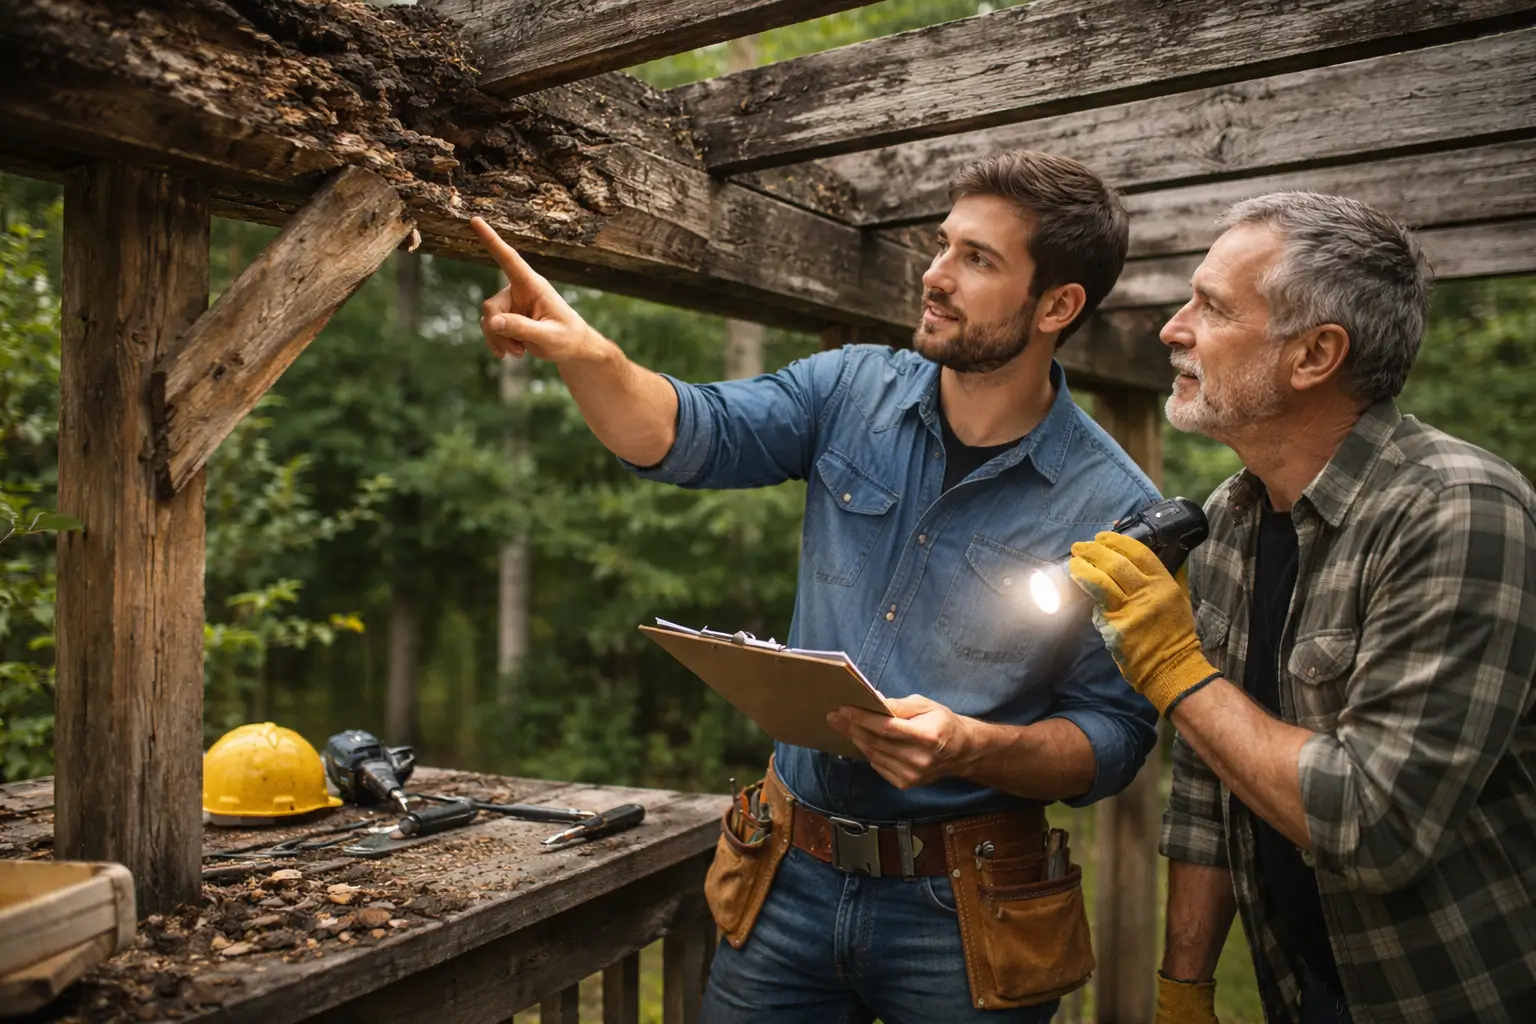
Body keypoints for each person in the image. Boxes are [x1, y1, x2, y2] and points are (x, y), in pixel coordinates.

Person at [471, 150, 1161, 1023]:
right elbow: (684, 432)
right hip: (787, 873)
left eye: (978, 259)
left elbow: (1113, 737)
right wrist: (587, 352)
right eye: (943, 245)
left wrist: (971, 747)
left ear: (1058, 306)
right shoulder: (849, 387)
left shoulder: (1118, 508)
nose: (935, 276)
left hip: (969, 909)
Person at [1069, 192, 1536, 1023]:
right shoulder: (1233, 516)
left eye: (1212, 307)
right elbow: (1209, 780)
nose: (1173, 328)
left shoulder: (1459, 508)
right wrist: (1184, 990)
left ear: (1315, 354)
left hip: (1449, 994)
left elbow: (1378, 825)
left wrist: (1172, 666)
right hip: (1300, 988)